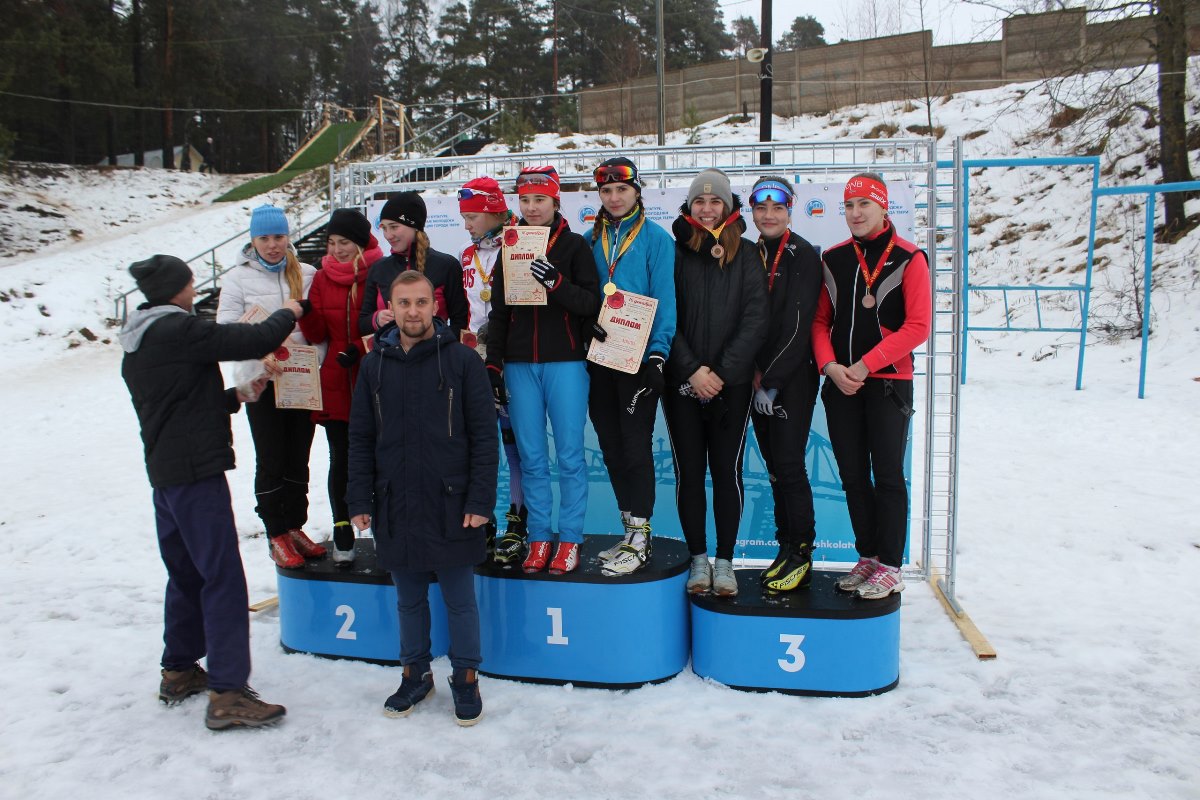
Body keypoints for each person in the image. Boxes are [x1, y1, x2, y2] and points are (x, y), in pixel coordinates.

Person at [120, 254, 303, 730]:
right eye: (189, 282)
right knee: (221, 576)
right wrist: (291, 311)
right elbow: (257, 337)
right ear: (176, 289)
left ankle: (179, 669)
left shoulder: (141, 339)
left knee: (186, 573)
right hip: (196, 472)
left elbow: (175, 402)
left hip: (168, 473)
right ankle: (227, 692)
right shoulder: (175, 329)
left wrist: (234, 397)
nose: (193, 288)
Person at [347, 270, 498, 727]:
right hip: (397, 502)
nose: (412, 312)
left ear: (435, 306)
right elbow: (360, 438)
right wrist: (359, 499)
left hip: (452, 502)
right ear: (390, 308)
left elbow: (484, 438)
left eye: (421, 302)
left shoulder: (462, 361)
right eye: (403, 303)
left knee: (459, 599)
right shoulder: (373, 364)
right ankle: (415, 674)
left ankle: (466, 679)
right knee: (408, 600)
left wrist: (480, 500)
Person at [812, 172, 931, 600]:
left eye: (864, 204)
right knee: (851, 476)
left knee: (887, 476)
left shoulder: (909, 257)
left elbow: (918, 326)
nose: (856, 213)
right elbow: (820, 321)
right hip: (841, 384)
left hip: (887, 384)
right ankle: (867, 556)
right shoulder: (835, 258)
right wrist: (829, 366)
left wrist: (863, 365)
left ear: (884, 208)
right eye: (849, 205)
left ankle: (892, 564)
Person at [485, 166, 601, 574]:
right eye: (526, 200)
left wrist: (556, 284)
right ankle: (539, 538)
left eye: (541, 200)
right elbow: (498, 314)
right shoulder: (509, 246)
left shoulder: (573, 246)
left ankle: (569, 538)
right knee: (532, 457)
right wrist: (494, 364)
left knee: (569, 455)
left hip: (566, 362)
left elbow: (591, 304)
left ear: (556, 202)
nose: (532, 208)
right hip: (519, 365)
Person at [664, 168, 767, 597]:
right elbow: (664, 315)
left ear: (728, 206)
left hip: (732, 385)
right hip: (683, 381)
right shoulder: (674, 253)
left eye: (715, 201)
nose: (707, 210)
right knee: (690, 472)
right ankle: (698, 559)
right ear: (689, 207)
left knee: (726, 472)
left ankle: (725, 561)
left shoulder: (745, 254)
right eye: (699, 202)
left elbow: (755, 318)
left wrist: (721, 373)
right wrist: (691, 369)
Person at [584, 157, 677, 577]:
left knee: (636, 446)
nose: (615, 197)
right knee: (611, 445)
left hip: (639, 359)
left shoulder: (656, 239)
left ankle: (642, 534)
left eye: (622, 189)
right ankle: (629, 530)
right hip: (601, 357)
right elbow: (586, 298)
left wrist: (658, 353)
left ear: (637, 191)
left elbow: (667, 299)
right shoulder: (589, 240)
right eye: (606, 191)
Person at [216, 204, 322, 569]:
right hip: (260, 382)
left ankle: (295, 525)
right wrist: (257, 357)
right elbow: (226, 330)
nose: (273, 245)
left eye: (279, 237)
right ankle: (275, 530)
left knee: (299, 456)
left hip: (300, 379)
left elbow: (318, 326)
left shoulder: (306, 273)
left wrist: (314, 358)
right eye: (264, 238)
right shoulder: (237, 279)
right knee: (271, 457)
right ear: (252, 240)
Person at [747, 176, 824, 593]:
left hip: (789, 378)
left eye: (777, 209)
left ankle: (802, 554)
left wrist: (771, 381)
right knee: (776, 471)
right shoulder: (752, 251)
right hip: (757, 377)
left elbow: (798, 326)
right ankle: (784, 546)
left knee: (791, 467)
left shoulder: (804, 255)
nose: (769, 216)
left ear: (790, 211)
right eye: (761, 209)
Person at [298, 208, 384, 565]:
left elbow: (385, 322)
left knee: (380, 457)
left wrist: (362, 347)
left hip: (374, 372)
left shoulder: (380, 270)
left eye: (344, 242)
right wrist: (307, 313)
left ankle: (383, 526)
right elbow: (316, 334)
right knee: (341, 457)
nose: (337, 250)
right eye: (332, 243)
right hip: (336, 376)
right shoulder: (321, 277)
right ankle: (343, 528)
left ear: (361, 242)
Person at [456, 176, 526, 559]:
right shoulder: (467, 256)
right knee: (482, 445)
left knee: (516, 445)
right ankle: (485, 520)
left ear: (492, 211)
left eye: (471, 216)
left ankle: (519, 520)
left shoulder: (519, 242)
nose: (466, 224)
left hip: (512, 358)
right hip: (477, 361)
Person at [359, 191, 467, 338]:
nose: (388, 235)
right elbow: (362, 323)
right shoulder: (379, 268)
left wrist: (441, 346)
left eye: (394, 227)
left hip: (435, 356)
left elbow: (460, 322)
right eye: (384, 228)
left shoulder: (446, 266)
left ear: (414, 225)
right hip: (391, 358)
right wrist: (376, 319)